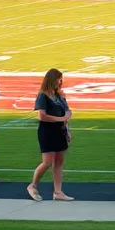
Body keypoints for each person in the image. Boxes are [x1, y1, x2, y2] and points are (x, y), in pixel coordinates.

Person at [28, 68, 74, 202]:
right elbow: (42, 116)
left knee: (59, 161)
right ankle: (33, 185)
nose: (60, 82)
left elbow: (66, 113)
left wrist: (67, 130)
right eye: (58, 79)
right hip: (47, 131)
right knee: (47, 162)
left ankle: (58, 192)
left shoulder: (59, 96)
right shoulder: (43, 95)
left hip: (60, 131)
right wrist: (61, 119)